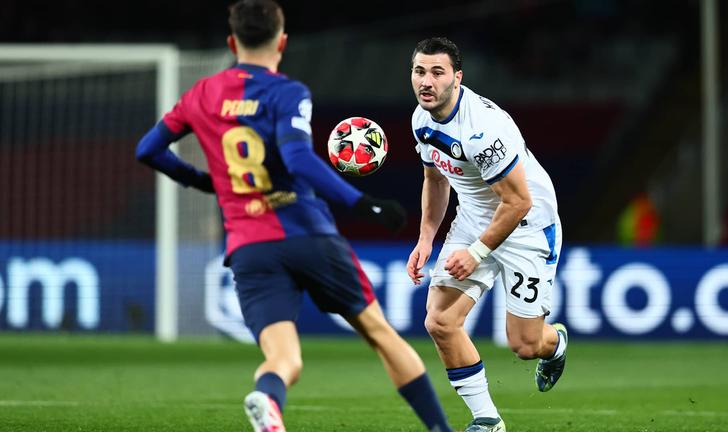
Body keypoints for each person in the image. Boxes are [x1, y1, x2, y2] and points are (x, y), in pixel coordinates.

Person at [135, 2, 453, 431]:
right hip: (306, 232)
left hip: (248, 245)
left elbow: (147, 150)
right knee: (380, 334)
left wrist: (204, 181)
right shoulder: (287, 93)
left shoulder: (200, 94)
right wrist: (363, 204)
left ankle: (268, 399)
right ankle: (440, 429)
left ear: (232, 43)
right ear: (282, 42)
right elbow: (298, 158)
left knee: (283, 359)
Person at [406, 37, 568, 432]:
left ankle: (556, 344)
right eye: (419, 71)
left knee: (525, 345)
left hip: (528, 227)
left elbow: (517, 203)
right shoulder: (422, 119)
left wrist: (476, 253)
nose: (426, 81)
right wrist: (426, 237)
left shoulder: (483, 129)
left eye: (437, 72)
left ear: (457, 78)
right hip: (475, 219)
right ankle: (487, 420)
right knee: (440, 321)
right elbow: (435, 178)